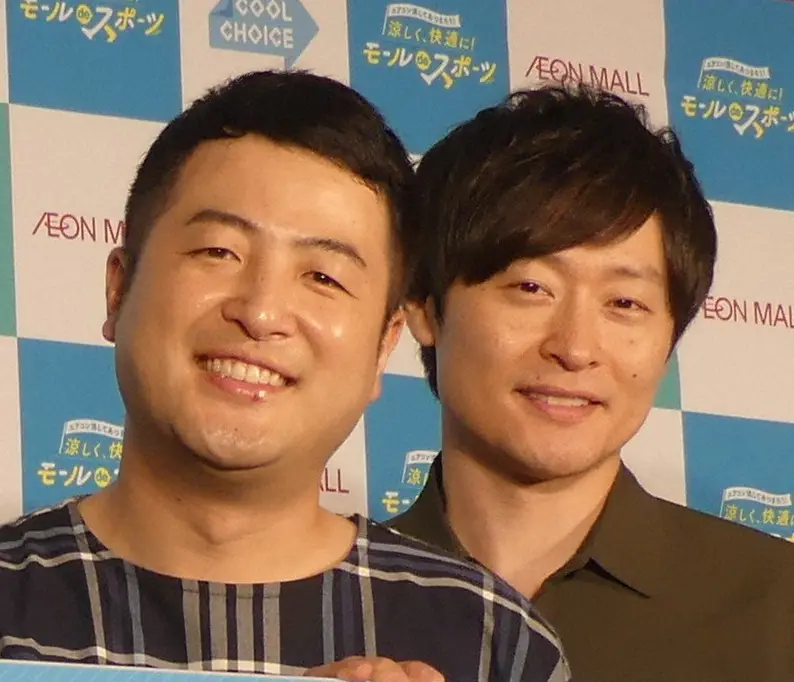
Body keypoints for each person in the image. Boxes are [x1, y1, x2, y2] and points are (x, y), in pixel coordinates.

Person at [0, 70, 571, 682]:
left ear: (384, 348)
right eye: (218, 252)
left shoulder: (495, 645)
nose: (261, 312)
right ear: (119, 289)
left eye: (323, 277)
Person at [389, 83, 794, 682]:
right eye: (532, 288)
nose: (575, 348)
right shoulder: (324, 598)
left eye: (625, 303)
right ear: (424, 306)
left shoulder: (776, 610)